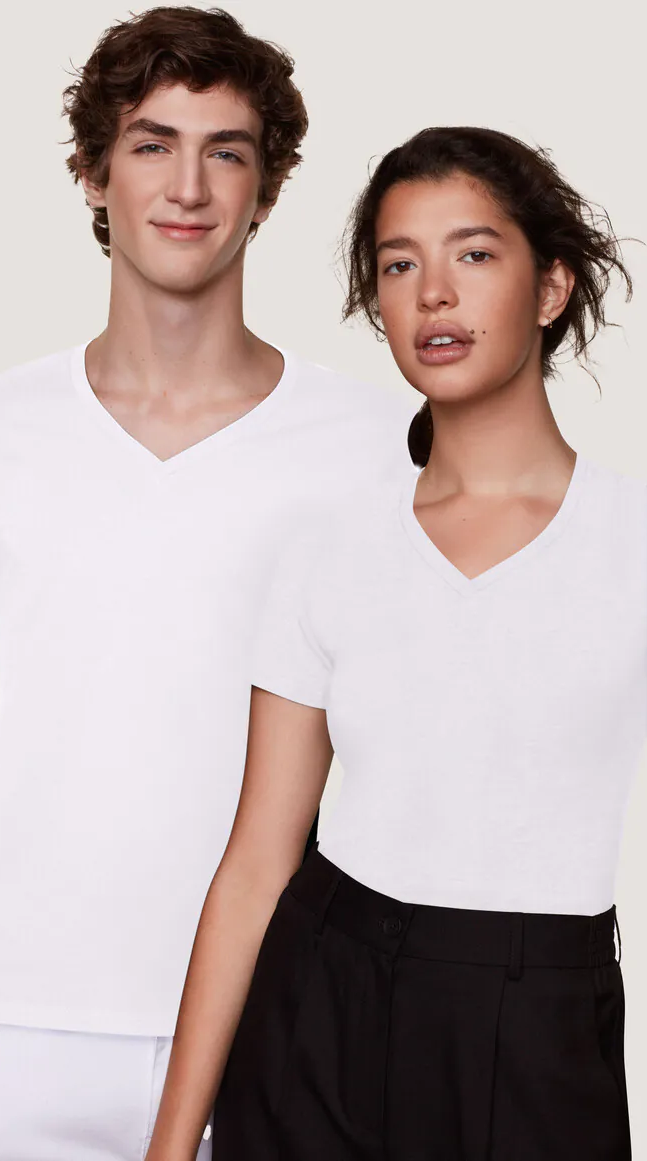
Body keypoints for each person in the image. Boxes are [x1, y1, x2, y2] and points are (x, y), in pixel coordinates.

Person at [0, 9, 411, 1159]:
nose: (189, 187)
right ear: (93, 174)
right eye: (153, 144)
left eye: (227, 152)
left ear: (267, 190)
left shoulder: (373, 447)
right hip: (7, 1037)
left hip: (272, 1025)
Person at [144, 126, 640, 1161]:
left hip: (537, 1021)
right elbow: (256, 864)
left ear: (551, 288)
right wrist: (169, 1145)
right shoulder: (330, 544)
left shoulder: (627, 541)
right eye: (399, 265)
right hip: (318, 1007)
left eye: (474, 254)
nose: (434, 296)